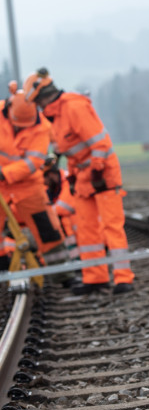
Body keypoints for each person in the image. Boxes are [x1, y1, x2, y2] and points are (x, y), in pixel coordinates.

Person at [24, 68, 135, 295]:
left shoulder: (74, 107)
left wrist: (96, 173)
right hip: (84, 177)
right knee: (86, 229)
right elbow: (73, 152)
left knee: (111, 227)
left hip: (102, 174)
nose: (38, 108)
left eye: (37, 103)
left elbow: (100, 144)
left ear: (43, 97)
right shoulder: (55, 117)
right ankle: (95, 278)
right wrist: (74, 175)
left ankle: (124, 279)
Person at [0, 88, 76, 285]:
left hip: (28, 185)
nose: (19, 129)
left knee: (47, 229)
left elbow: (33, 162)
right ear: (8, 109)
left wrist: (4, 173)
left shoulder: (42, 127)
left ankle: (64, 276)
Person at [43, 156, 80, 262]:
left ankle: (77, 261)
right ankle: (74, 261)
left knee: (64, 220)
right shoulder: (52, 186)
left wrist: (43, 213)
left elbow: (63, 208)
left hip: (81, 228)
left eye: (44, 179)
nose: (44, 183)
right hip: (75, 232)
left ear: (50, 175)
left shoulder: (68, 182)